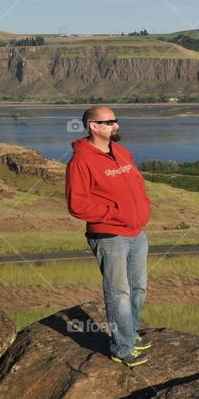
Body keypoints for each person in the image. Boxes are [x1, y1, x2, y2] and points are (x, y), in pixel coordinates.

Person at [65, 106, 152, 367]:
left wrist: (142, 208)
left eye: (116, 120)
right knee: (119, 293)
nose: (116, 125)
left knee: (138, 288)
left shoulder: (122, 152)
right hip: (109, 235)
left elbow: (137, 184)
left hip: (136, 232)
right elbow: (77, 205)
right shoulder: (81, 160)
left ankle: (130, 333)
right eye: (109, 121)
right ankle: (122, 348)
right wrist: (114, 212)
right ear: (93, 126)